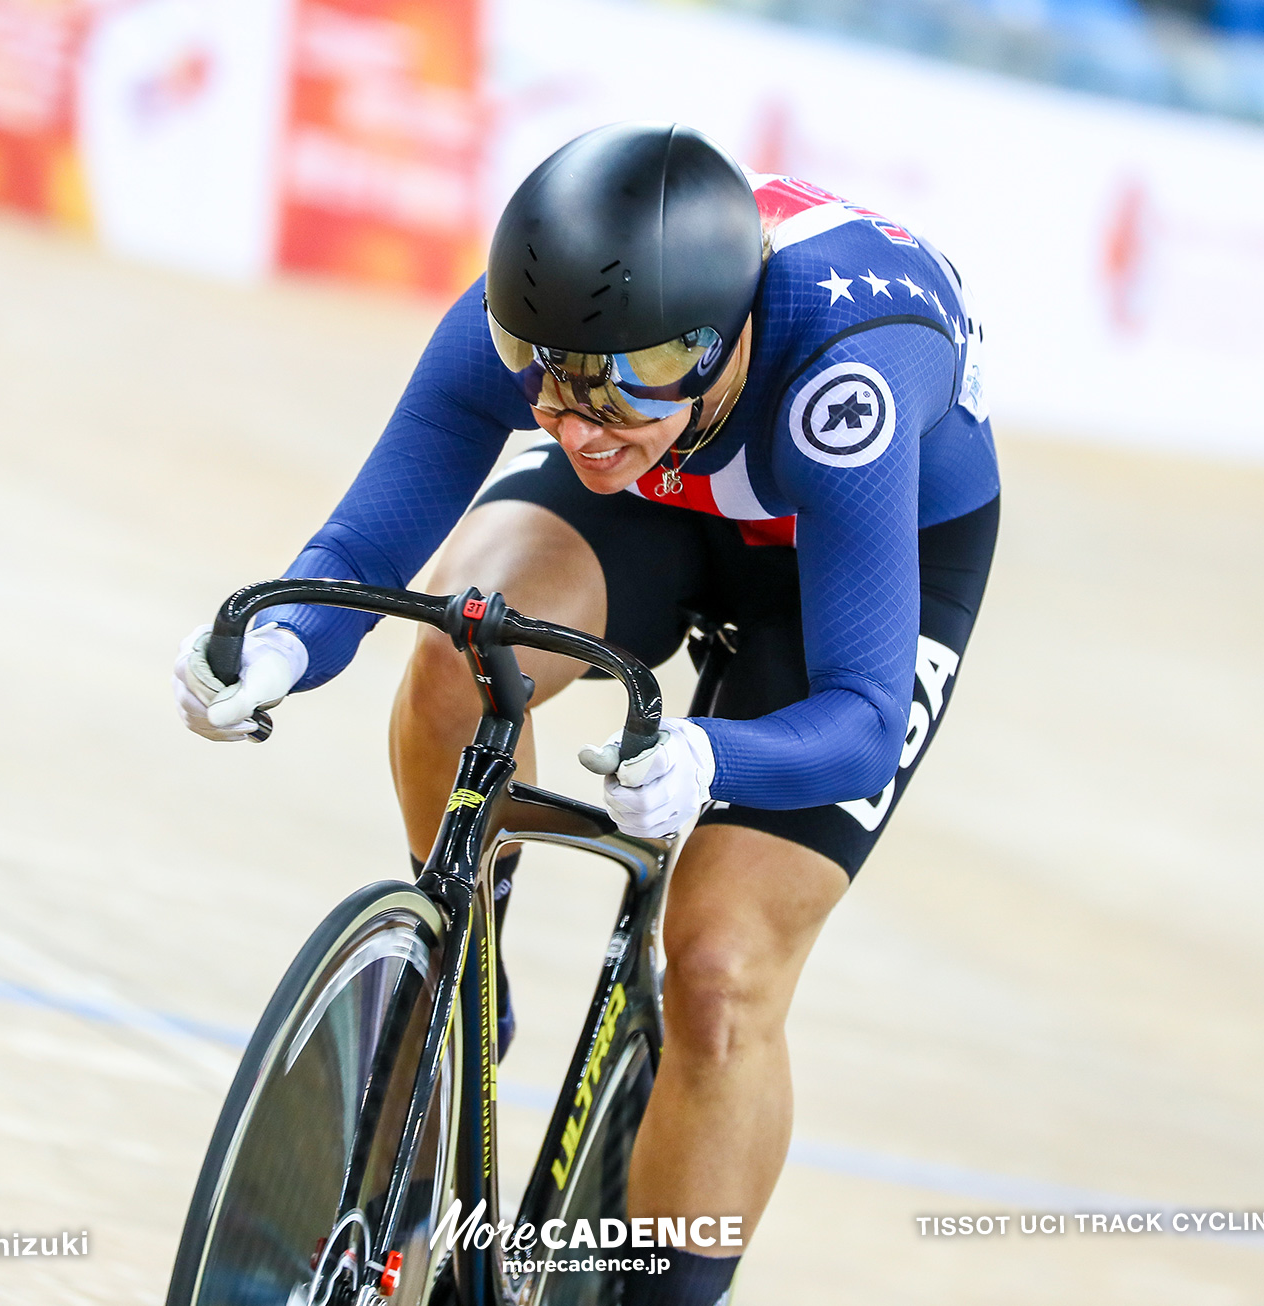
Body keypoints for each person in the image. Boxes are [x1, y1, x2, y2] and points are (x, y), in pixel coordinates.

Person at [174, 121, 999, 1306]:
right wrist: (285, 644)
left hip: (858, 551)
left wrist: (713, 751)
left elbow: (864, 716)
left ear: (721, 343)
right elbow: (371, 535)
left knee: (720, 966)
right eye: (548, 377)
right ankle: (468, 971)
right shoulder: (552, 335)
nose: (574, 418)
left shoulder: (845, 370)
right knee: (463, 640)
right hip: (665, 496)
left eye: (620, 380)